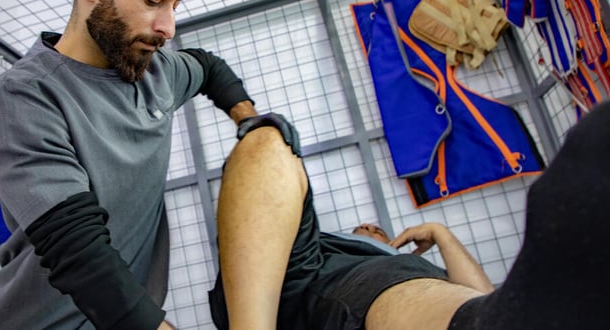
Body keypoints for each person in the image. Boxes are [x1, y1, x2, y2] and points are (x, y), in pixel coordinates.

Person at [0, 0, 259, 330]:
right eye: (152, 0)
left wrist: (252, 124)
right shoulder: (21, 98)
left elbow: (209, 69)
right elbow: (78, 250)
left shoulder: (157, 73)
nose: (167, 27)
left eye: (174, 4)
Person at [210, 105, 610, 329]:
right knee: (268, 137)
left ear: (389, 243)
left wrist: (442, 233)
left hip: (463, 312)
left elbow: (489, 299)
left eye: (375, 229)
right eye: (363, 230)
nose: (367, 227)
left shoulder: (413, 266)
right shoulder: (319, 254)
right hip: (322, 286)